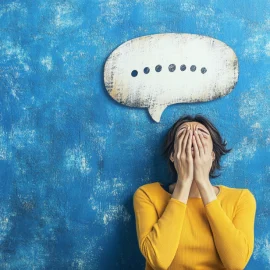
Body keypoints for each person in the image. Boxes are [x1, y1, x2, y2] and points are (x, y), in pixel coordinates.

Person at [133, 114, 256, 270]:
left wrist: (203, 182)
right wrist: (184, 182)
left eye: (201, 135)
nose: (192, 139)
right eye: (184, 134)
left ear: (213, 155)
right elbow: (158, 260)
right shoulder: (147, 195)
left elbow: (236, 263)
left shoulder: (241, 199)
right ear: (172, 155)